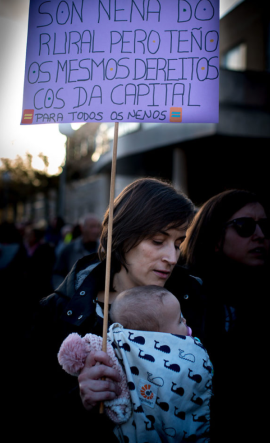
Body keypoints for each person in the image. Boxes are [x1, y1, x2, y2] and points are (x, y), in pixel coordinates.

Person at [19, 177, 206, 440]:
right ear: (123, 235)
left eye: (177, 244)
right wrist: (79, 399)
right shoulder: (58, 311)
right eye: (157, 241)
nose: (172, 258)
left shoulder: (194, 297)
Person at [58, 286, 212, 442]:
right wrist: (84, 403)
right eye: (180, 320)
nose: (171, 260)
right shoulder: (114, 352)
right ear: (156, 339)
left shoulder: (197, 293)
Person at [180, 189, 270, 443]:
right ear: (214, 236)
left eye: (265, 225)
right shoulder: (179, 296)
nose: (260, 236)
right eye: (244, 226)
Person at [51, 213, 101, 289]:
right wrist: (63, 292)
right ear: (82, 228)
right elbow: (57, 274)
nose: (95, 230)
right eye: (91, 227)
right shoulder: (69, 249)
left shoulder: (105, 249)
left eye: (97, 226)